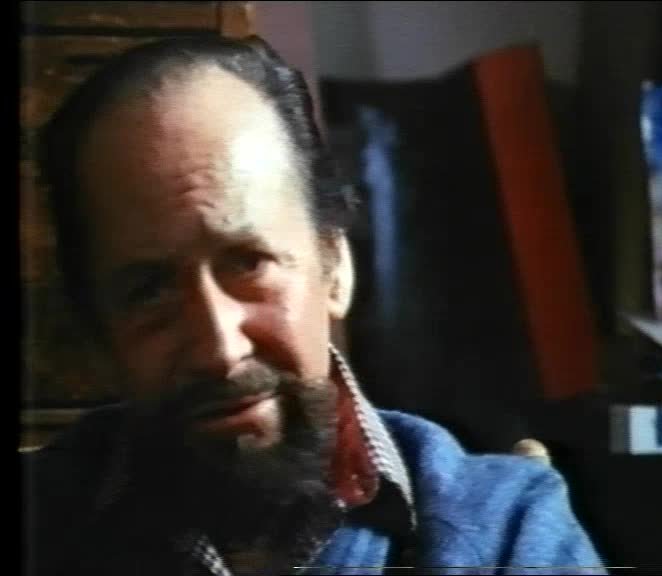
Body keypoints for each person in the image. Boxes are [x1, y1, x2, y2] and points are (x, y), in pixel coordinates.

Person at [24, 36, 607, 576]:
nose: (220, 349)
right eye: (149, 290)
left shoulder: (507, 533)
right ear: (96, 330)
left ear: (335, 266)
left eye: (249, 263)